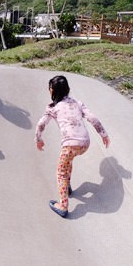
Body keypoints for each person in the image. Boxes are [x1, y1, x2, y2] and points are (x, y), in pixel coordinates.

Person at [35, 75, 110, 218]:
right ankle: (67, 187)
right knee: (68, 160)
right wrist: (104, 134)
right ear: (68, 89)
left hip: (70, 144)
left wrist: (38, 139)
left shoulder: (53, 107)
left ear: (51, 91)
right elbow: (92, 118)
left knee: (60, 172)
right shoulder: (77, 103)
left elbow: (41, 124)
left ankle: (63, 206)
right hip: (85, 143)